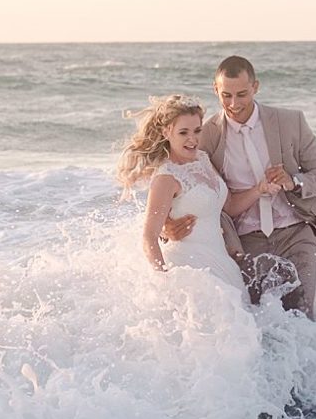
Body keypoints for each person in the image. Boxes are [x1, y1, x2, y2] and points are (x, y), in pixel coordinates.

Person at [164, 56, 316, 318]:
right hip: (244, 242)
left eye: (242, 94)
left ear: (255, 87)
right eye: (226, 95)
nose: (234, 104)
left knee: (302, 319)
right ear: (215, 90)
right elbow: (175, 176)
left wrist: (293, 181)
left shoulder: (290, 121)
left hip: (295, 233)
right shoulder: (206, 134)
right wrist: (165, 223)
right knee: (258, 324)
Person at [117, 94, 281, 293]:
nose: (192, 139)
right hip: (191, 269)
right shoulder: (166, 178)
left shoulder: (202, 159)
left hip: (222, 264)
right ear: (167, 132)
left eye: (197, 131)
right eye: (183, 132)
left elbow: (229, 206)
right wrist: (164, 279)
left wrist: (259, 190)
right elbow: (149, 236)